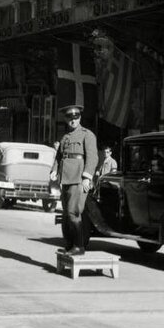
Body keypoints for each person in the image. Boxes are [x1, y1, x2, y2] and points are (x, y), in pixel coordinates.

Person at [55, 105, 98, 256]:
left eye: (76, 117)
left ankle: (79, 246)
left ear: (80, 117)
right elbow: (59, 157)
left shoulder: (87, 135)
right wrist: (54, 171)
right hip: (65, 179)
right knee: (66, 214)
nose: (73, 121)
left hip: (78, 178)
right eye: (70, 118)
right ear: (66, 119)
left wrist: (87, 177)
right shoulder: (65, 137)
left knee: (74, 212)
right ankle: (70, 244)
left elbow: (93, 158)